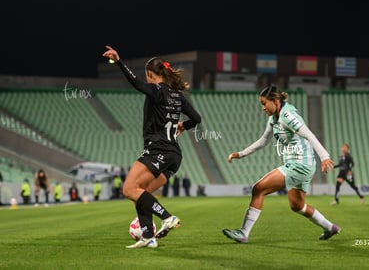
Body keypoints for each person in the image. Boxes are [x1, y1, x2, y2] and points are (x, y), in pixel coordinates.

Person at [102, 45, 202, 248]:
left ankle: (167, 217)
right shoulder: (176, 95)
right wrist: (183, 125)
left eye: (147, 76)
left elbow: (136, 83)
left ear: (150, 74)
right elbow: (197, 118)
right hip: (174, 155)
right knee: (141, 192)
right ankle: (148, 236)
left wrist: (120, 62)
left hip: (158, 149)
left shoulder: (157, 90)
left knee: (129, 189)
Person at [223, 86, 340, 243]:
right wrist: (241, 154)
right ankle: (329, 227)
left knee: (258, 189)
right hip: (303, 165)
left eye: (264, 103)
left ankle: (244, 232)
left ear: (275, 101)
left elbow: (309, 134)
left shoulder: (288, 115)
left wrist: (325, 156)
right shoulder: (274, 118)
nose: (263, 108)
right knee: (297, 205)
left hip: (299, 164)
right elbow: (264, 140)